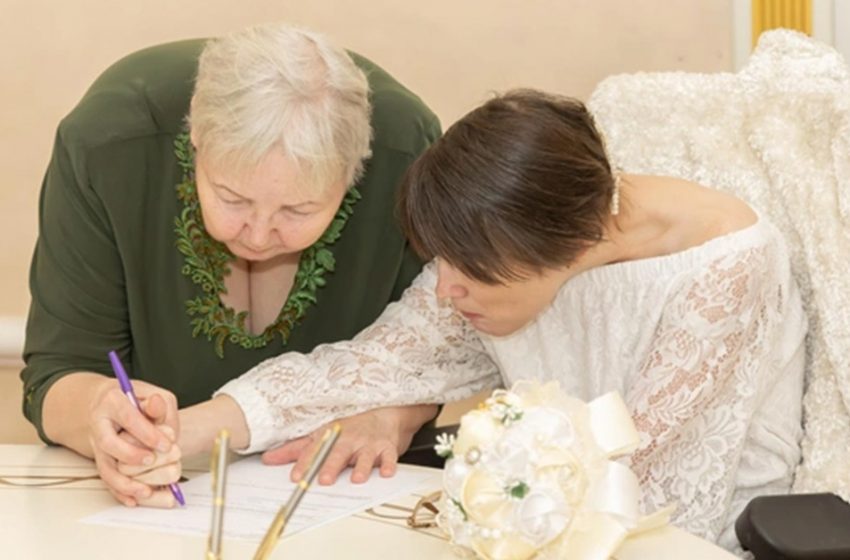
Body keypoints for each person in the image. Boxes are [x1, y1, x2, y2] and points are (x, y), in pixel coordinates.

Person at [174, 89, 806, 548]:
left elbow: (649, 491)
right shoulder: (503, 237)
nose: (445, 291)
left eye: (464, 272)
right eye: (440, 262)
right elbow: (383, 361)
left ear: (568, 247)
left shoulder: (725, 267)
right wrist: (182, 432)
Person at [20, 23, 443, 508]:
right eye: (231, 198)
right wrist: (98, 414)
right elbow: (58, 373)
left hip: (344, 501)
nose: (259, 235)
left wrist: (391, 419)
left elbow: (442, 352)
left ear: (355, 174)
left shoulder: (408, 157)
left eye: (298, 211)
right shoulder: (110, 142)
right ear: (196, 134)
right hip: (164, 512)